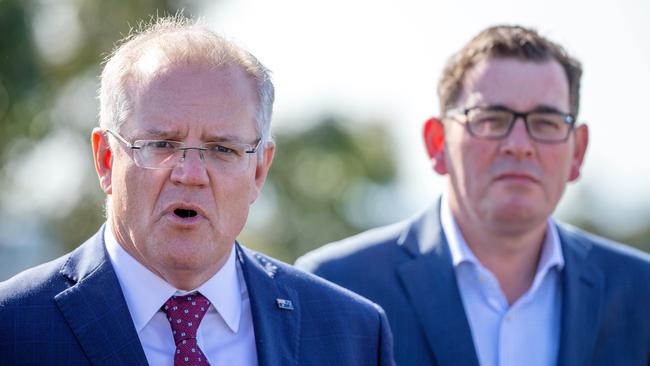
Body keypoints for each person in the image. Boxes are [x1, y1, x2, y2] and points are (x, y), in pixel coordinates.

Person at [0, 17, 393, 366]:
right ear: (106, 159)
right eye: (162, 144)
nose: (190, 174)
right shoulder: (13, 326)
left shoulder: (351, 334)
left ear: (258, 169)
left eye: (222, 149)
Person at [296, 25, 650, 366]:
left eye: (546, 123)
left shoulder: (641, 293)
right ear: (438, 144)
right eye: (491, 120)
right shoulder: (334, 286)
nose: (519, 146)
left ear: (578, 151)